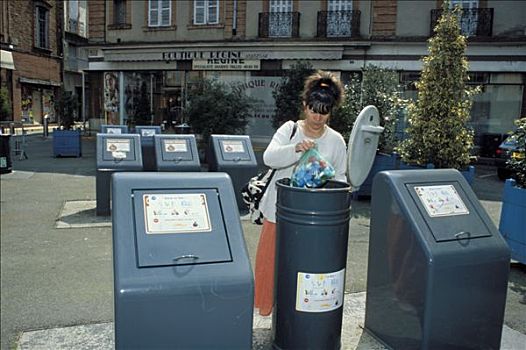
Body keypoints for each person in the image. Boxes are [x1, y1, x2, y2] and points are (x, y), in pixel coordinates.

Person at [254, 70, 348, 316]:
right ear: (305, 106)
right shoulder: (290, 129)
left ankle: (296, 314)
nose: (318, 117)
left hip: (315, 216)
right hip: (279, 211)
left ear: (331, 111)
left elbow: (340, 177)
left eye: (324, 111)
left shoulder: (336, 140)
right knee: (270, 263)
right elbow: (269, 157)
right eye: (313, 109)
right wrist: (296, 148)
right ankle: (266, 308)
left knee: (305, 267)